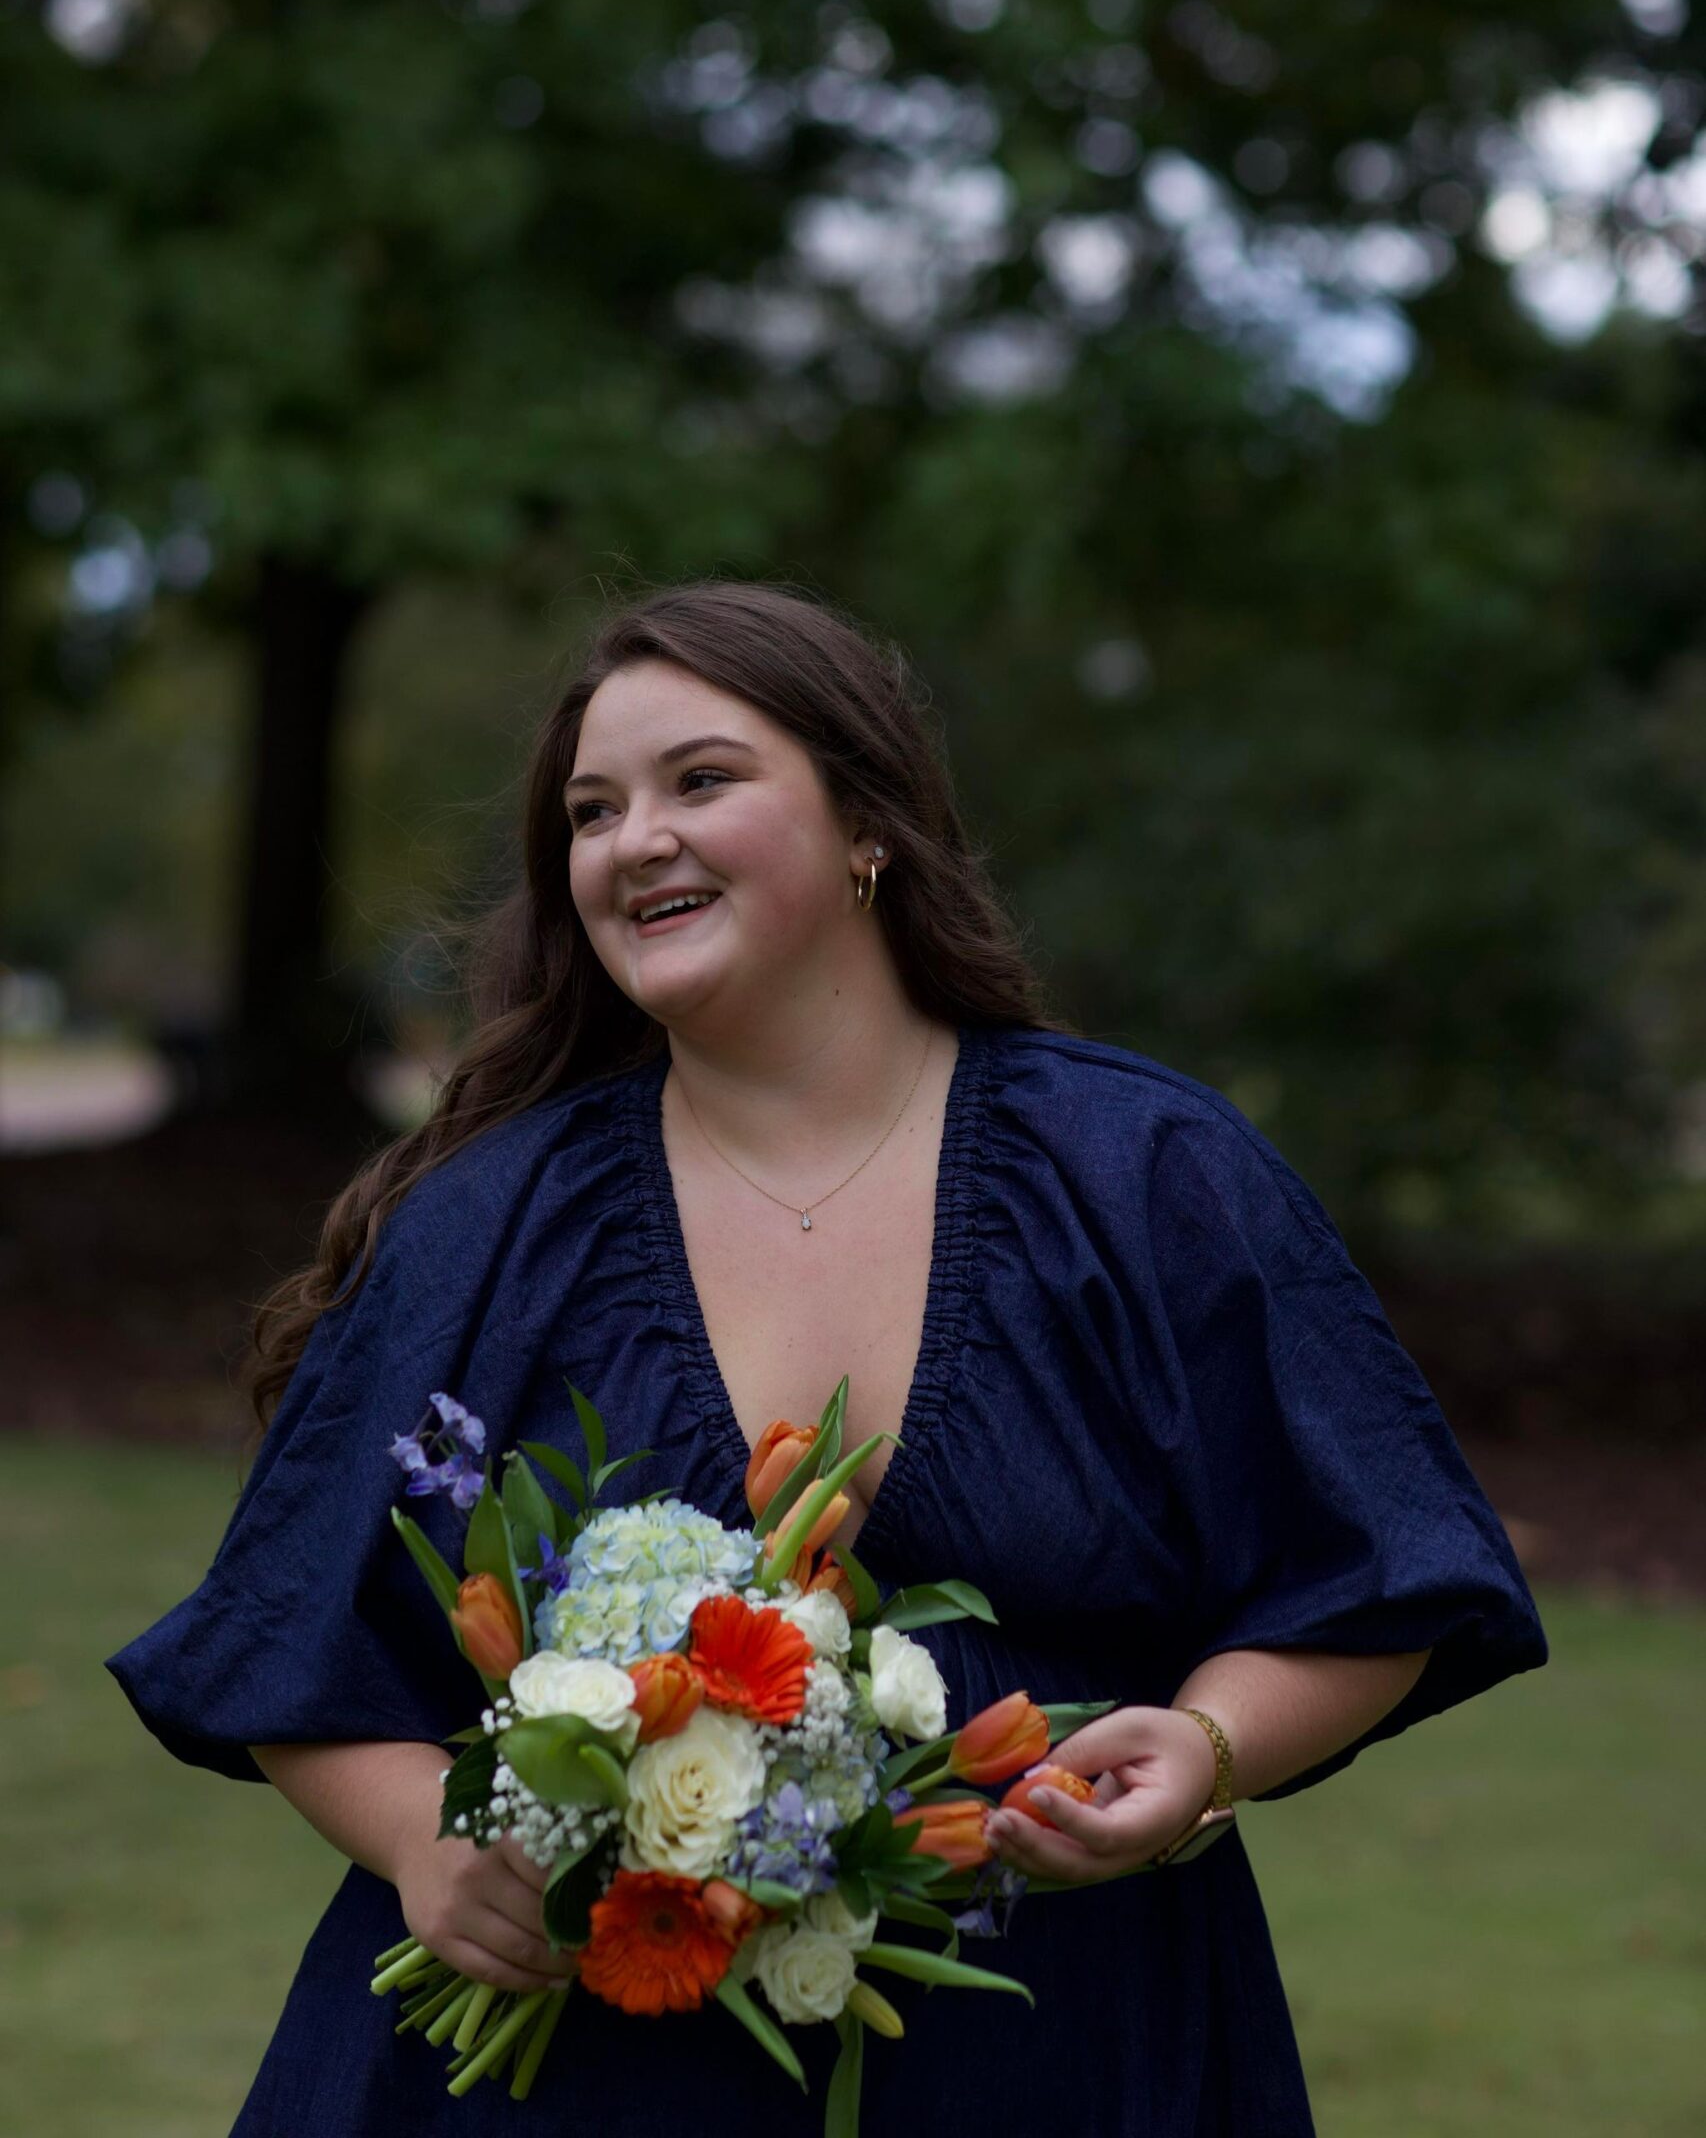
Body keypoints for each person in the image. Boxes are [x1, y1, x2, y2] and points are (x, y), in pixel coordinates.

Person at [107, 576, 1547, 2134]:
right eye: (591, 813)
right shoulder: (486, 1230)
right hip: (569, 2079)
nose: (632, 837)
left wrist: (1206, 1744)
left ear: (869, 825)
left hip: (1057, 2051)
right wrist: (419, 1844)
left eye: (700, 781)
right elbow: (288, 1643)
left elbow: (1375, 1576)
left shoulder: (1146, 1179)